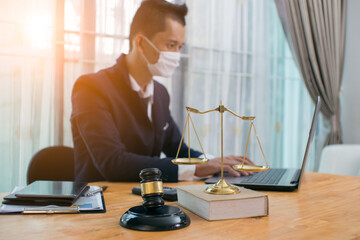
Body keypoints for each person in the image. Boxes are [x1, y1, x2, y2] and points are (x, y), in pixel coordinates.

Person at [71, 0, 253, 183]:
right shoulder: (92, 88)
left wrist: (219, 164)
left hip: (146, 200)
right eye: (171, 45)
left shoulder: (160, 94)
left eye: (180, 47)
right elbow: (113, 162)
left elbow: (179, 150)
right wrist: (198, 168)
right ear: (141, 43)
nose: (176, 55)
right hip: (101, 202)